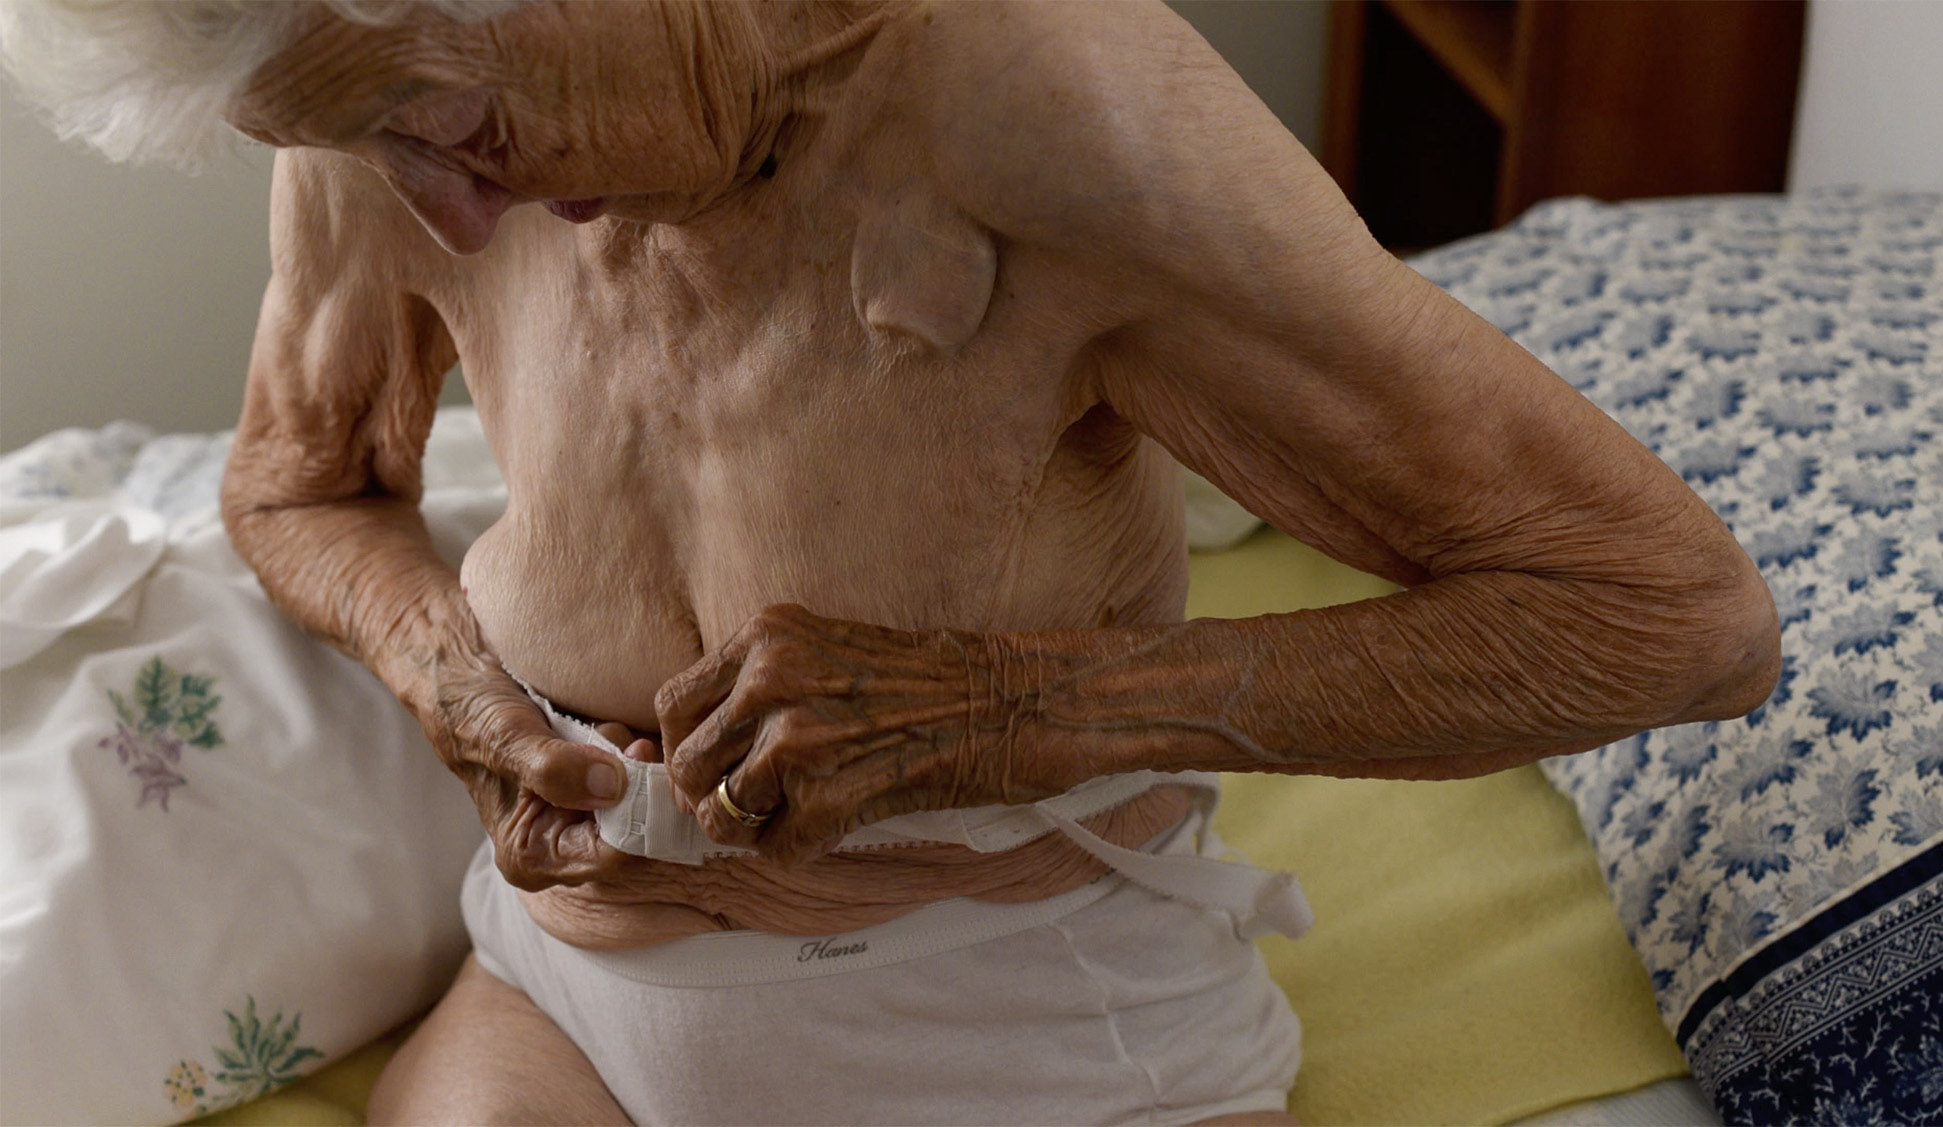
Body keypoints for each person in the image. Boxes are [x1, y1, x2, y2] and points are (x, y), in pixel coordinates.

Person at [1, 1, 1780, 1123]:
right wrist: (447, 676)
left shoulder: (1049, 103)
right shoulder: (367, 113)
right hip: (571, 987)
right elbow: (300, 485)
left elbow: (1675, 621)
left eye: (458, 125)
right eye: (367, 138)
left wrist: (1014, 706)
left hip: (1010, 1030)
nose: (439, 213)